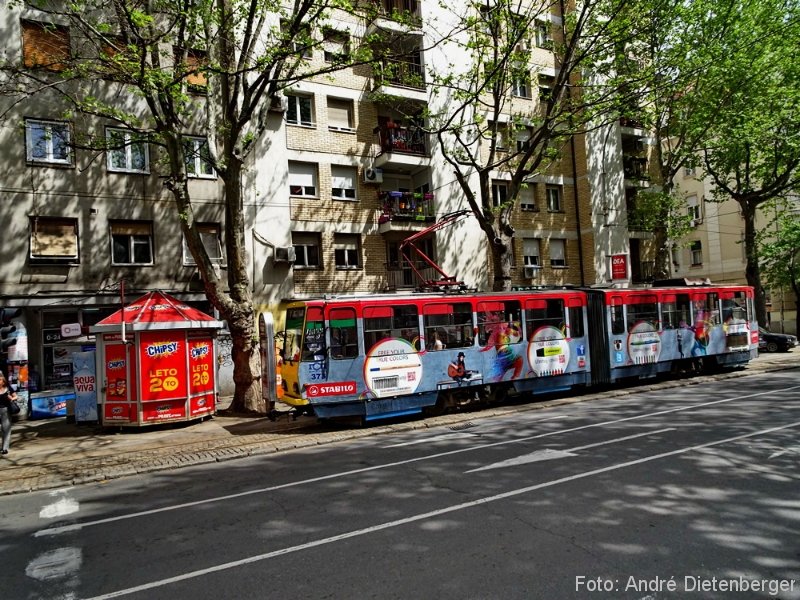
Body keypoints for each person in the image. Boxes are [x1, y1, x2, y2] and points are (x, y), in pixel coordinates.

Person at [0, 371, 18, 455]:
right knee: (1, 430)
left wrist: (11, 398)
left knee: (6, 429)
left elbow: (16, 396)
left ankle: (5, 448)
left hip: (6, 410)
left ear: (3, 381)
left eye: (0, 380)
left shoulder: (8, 388)